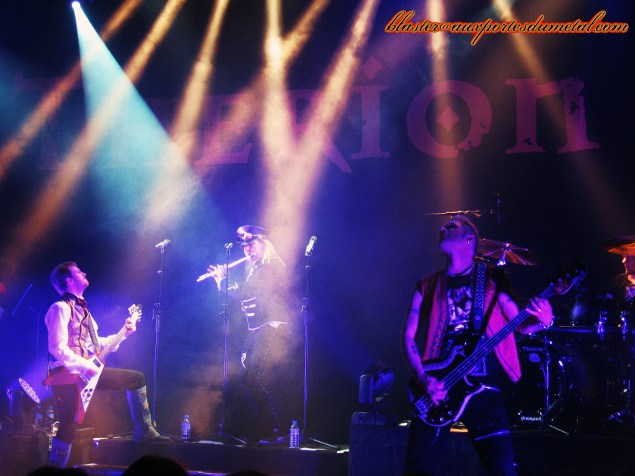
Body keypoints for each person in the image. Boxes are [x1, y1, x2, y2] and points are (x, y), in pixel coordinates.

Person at [401, 216, 554, 476]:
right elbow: (408, 336)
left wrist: (545, 320)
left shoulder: (492, 279)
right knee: (419, 470)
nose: (442, 228)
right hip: (438, 386)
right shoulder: (426, 285)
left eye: (451, 227)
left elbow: (519, 324)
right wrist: (423, 378)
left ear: (469, 240)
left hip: (485, 387)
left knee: (502, 468)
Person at [44, 261, 166, 468]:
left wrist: (124, 333)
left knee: (136, 379)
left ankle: (145, 431)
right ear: (69, 280)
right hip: (64, 376)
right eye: (78, 272)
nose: (84, 272)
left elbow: (97, 345)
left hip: (86, 373)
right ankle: (53, 471)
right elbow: (57, 348)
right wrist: (85, 366)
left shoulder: (86, 313)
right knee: (67, 428)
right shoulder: (59, 308)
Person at [207, 225, 298, 444]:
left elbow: (249, 292)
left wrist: (225, 279)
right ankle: (269, 426)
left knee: (258, 377)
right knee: (246, 379)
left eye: (251, 244)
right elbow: (240, 298)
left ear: (263, 243)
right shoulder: (255, 269)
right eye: (244, 246)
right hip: (256, 329)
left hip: (272, 326)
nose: (247, 249)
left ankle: (282, 428)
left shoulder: (272, 266)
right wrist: (221, 282)